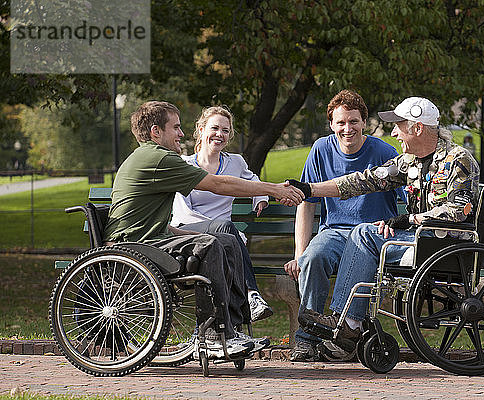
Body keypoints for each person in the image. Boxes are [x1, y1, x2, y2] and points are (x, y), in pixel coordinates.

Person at [103, 101, 304, 359]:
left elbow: (153, 221)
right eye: (175, 127)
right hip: (135, 247)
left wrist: (186, 233)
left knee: (225, 240)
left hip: (149, 239)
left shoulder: (153, 158)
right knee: (210, 245)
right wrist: (273, 189)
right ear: (156, 131)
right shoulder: (159, 158)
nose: (181, 134)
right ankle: (211, 335)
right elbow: (218, 184)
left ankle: (229, 330)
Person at [290, 97, 480, 352]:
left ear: (417, 128)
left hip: (444, 244)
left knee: (365, 233)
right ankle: (348, 324)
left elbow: (459, 210)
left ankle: (349, 323)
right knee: (363, 234)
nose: (393, 133)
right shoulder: (409, 162)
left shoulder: (458, 159)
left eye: (398, 126)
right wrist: (309, 188)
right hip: (418, 241)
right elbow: (362, 181)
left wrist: (409, 219)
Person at [283, 89, 401, 362]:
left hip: (371, 235)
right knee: (313, 258)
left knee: (362, 251)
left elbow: (409, 195)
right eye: (341, 122)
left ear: (364, 123)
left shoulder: (385, 152)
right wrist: (299, 252)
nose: (348, 129)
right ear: (331, 124)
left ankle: (343, 333)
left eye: (354, 122)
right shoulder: (321, 149)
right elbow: (306, 201)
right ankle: (307, 339)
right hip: (334, 231)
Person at [170, 106, 273, 322]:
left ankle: (229, 329)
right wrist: (220, 231)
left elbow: (252, 180)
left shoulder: (235, 163)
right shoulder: (184, 165)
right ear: (201, 129)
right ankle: (252, 295)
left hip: (225, 239)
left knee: (226, 237)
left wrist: (260, 197)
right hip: (188, 232)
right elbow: (183, 213)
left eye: (225, 131)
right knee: (225, 229)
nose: (220, 134)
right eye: (215, 128)